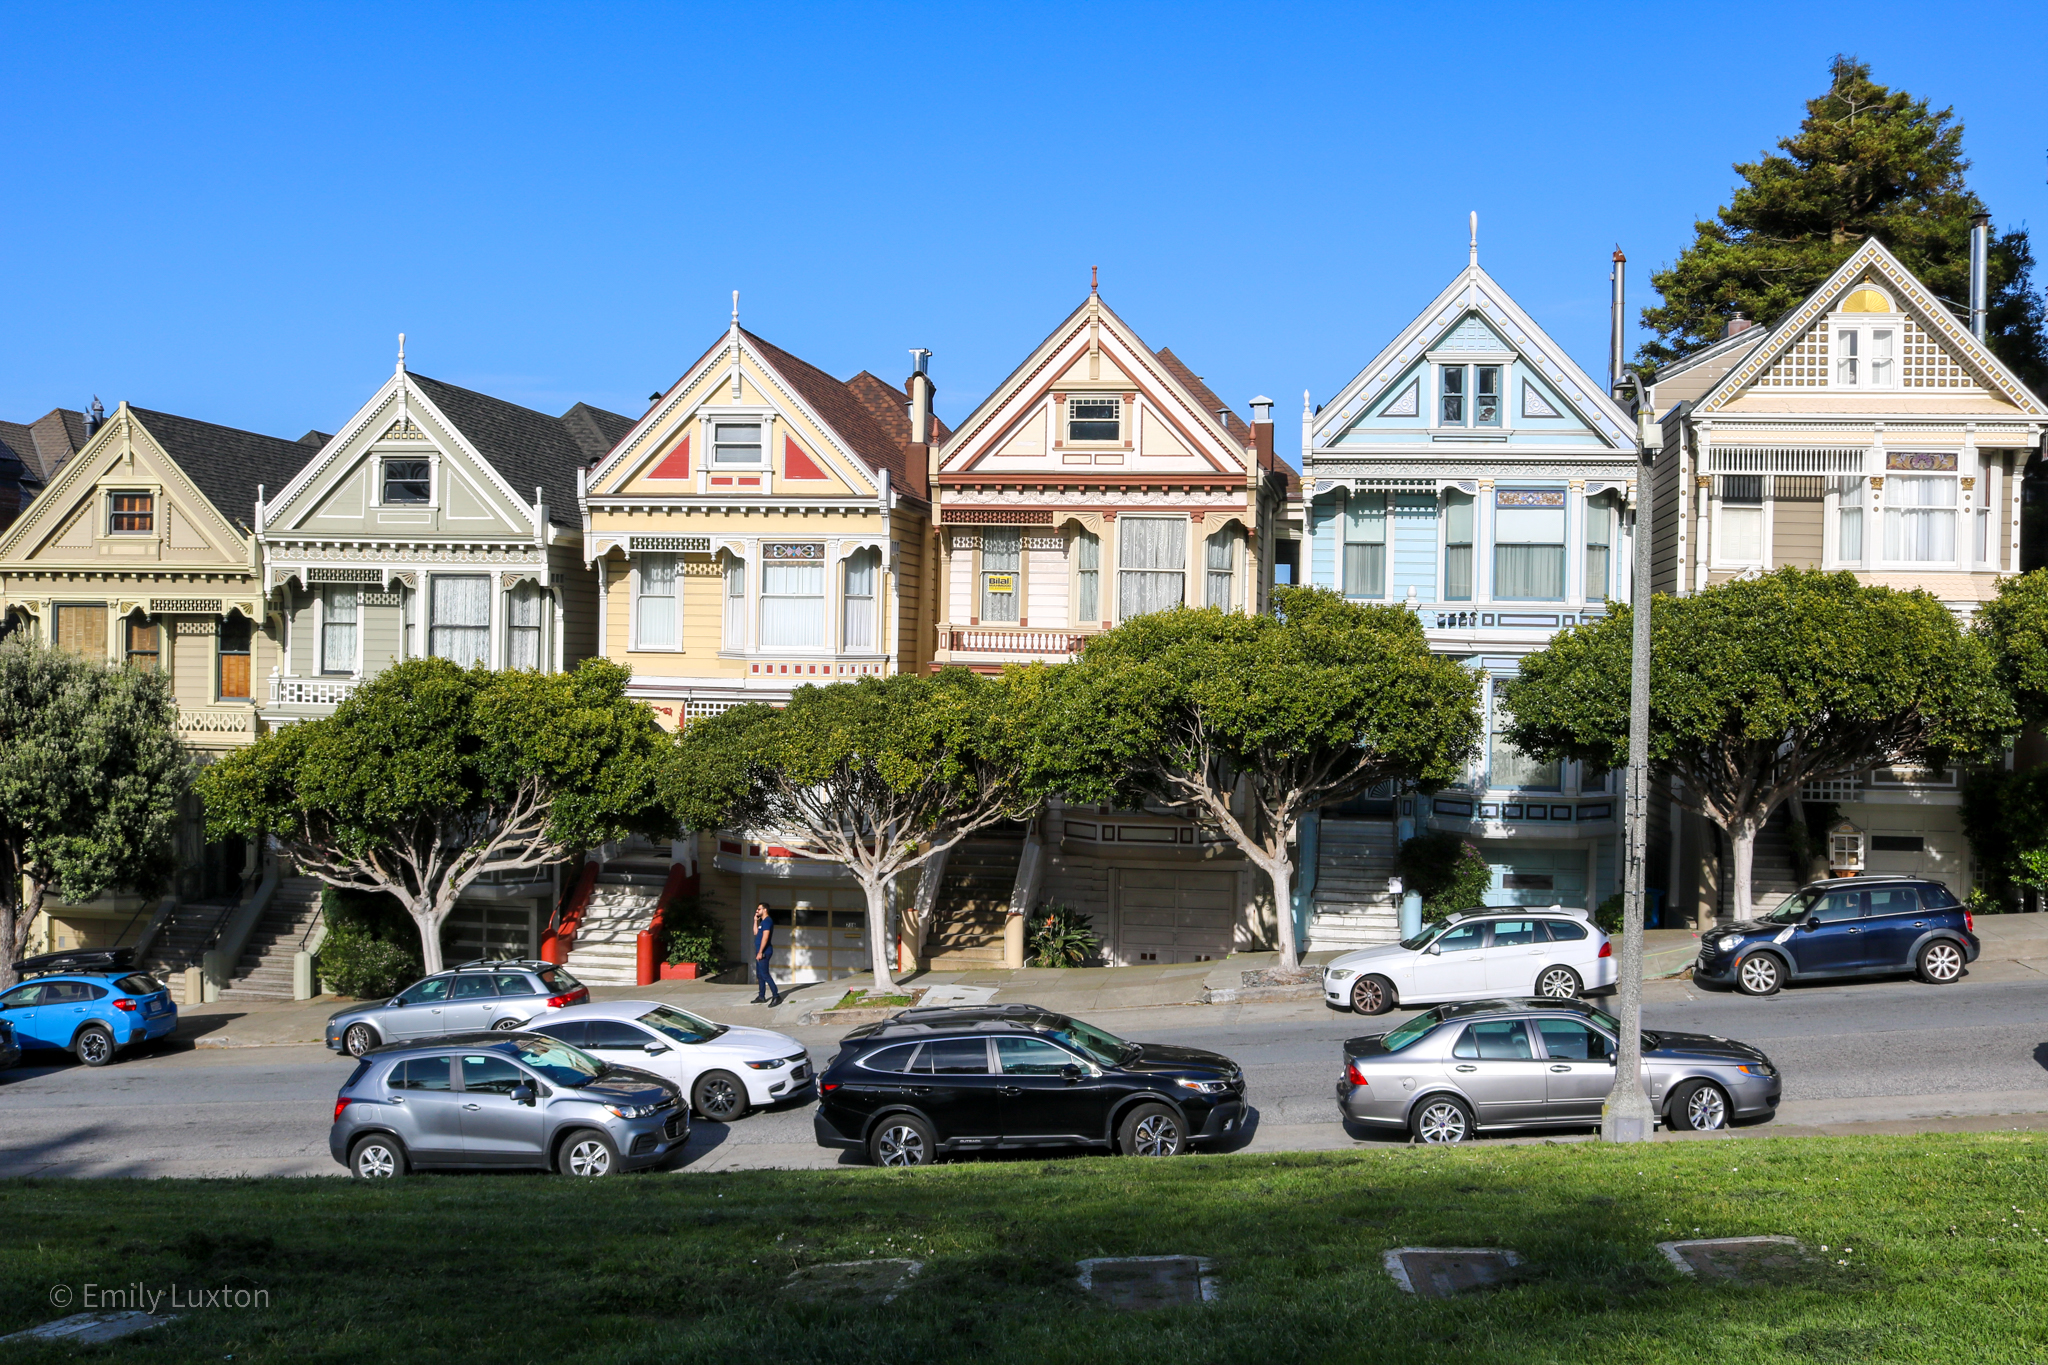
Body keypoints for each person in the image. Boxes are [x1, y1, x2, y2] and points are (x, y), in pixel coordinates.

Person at [750, 902, 781, 1006]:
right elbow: (755, 932)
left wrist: (760, 952)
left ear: (765, 910)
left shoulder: (767, 921)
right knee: (760, 975)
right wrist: (755, 920)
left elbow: (765, 937)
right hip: (760, 951)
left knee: (765, 974)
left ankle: (776, 996)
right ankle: (761, 996)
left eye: (759, 909)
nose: (757, 911)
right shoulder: (762, 922)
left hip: (764, 951)